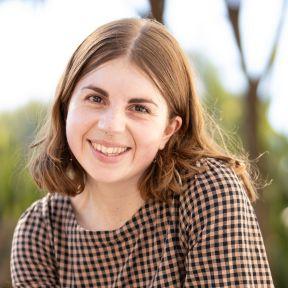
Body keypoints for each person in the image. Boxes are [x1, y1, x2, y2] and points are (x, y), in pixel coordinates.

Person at [10, 18, 274, 287]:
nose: (110, 126)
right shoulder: (39, 232)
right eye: (96, 99)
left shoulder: (207, 193)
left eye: (139, 108)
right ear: (67, 106)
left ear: (168, 130)